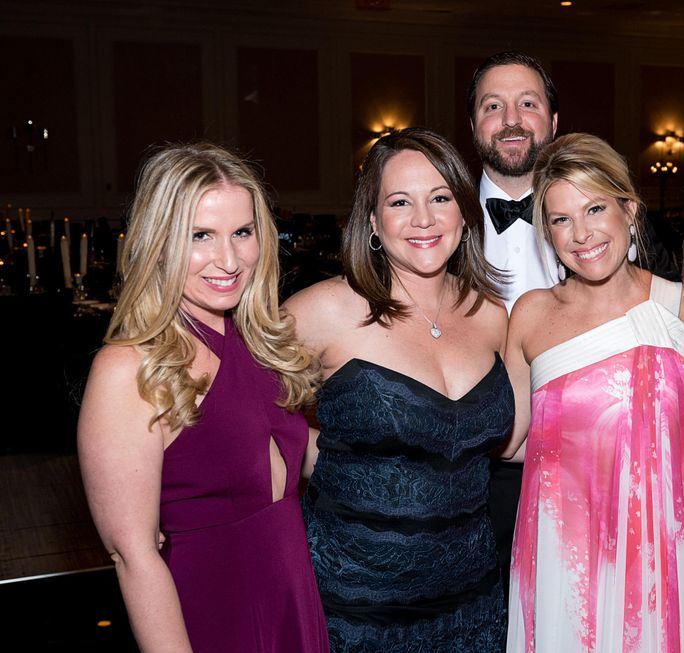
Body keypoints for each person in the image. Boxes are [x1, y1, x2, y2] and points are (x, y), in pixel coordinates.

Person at [77, 143, 329, 651]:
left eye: (242, 232)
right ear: (159, 242)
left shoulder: (260, 341)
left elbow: (295, 458)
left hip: (291, 595)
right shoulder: (129, 369)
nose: (229, 259)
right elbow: (133, 555)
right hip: (208, 609)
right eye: (200, 236)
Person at [287, 127, 511, 652]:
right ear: (372, 221)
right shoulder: (323, 312)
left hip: (473, 606)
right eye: (399, 202)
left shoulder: (491, 314)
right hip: (354, 610)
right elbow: (234, 404)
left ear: (463, 212)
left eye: (440, 198)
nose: (424, 220)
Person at [502, 133, 684, 652]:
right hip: (564, 562)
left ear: (629, 209)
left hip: (663, 562)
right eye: (561, 220)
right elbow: (509, 441)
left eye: (595, 208)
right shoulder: (532, 314)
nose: (581, 234)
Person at [467, 51, 560, 602]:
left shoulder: (610, 224)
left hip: (592, 468)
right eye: (493, 106)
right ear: (474, 124)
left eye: (528, 103)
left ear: (552, 121)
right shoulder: (433, 225)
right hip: (474, 482)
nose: (511, 120)